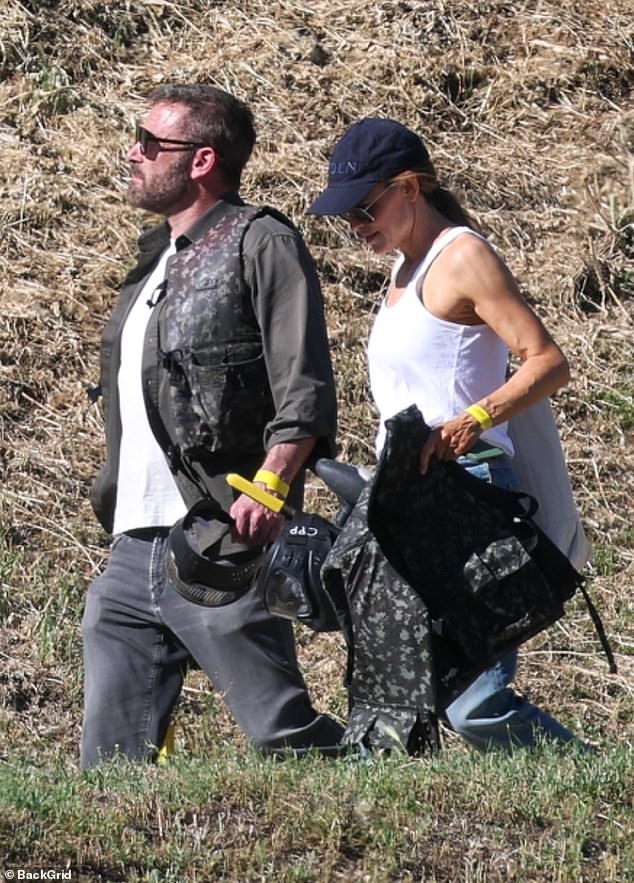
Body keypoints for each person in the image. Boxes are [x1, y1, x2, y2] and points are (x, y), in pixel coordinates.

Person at [81, 84, 344, 768]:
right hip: (132, 544)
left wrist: (270, 487)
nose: (132, 154)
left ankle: (385, 778)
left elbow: (304, 385)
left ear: (201, 160)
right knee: (108, 764)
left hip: (217, 533)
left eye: (149, 143)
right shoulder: (153, 263)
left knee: (282, 734)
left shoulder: (260, 241)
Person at [308, 117, 581, 751]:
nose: (357, 226)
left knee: (473, 700)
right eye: (347, 216)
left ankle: (594, 780)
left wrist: (471, 422)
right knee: (410, 688)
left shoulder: (462, 257)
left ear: (410, 187)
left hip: (469, 487)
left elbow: (547, 361)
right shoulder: (403, 273)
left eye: (366, 208)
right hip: (410, 496)